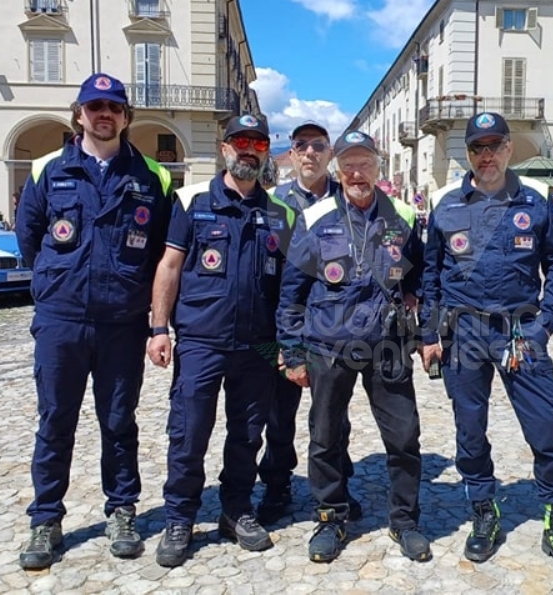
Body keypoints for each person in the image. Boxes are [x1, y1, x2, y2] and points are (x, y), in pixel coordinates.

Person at [420, 112, 553, 580]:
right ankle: (484, 511)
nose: (486, 155)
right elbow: (430, 275)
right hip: (463, 335)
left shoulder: (534, 204)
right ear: (468, 155)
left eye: (494, 145)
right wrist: (429, 334)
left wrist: (546, 324)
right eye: (478, 148)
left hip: (520, 332)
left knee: (545, 427)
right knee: (469, 430)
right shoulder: (447, 207)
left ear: (510, 149)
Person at [14, 72, 173, 570]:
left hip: (122, 322)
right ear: (78, 113)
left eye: (114, 107)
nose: (104, 114)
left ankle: (121, 511)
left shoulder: (152, 176)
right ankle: (45, 519)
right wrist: (56, 284)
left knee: (119, 421)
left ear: (126, 117)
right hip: (62, 320)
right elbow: (29, 238)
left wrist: (156, 322)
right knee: (55, 420)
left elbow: (164, 252)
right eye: (95, 106)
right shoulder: (46, 169)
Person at [146, 114, 296, 568]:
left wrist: (288, 343)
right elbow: (170, 267)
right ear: (224, 147)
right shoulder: (191, 201)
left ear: (266, 150)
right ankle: (180, 517)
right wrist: (158, 328)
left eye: (257, 142)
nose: (248, 149)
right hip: (201, 341)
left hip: (261, 344)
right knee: (189, 432)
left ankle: (236, 510)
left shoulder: (280, 214)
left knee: (248, 434)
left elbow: (290, 287)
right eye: (240, 141)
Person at [277, 130, 429, 564]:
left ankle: (405, 521)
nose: (357, 172)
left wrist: (418, 303)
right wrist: (291, 351)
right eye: (350, 164)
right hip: (329, 345)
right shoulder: (316, 217)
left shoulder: (400, 215)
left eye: (365, 163)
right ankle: (330, 518)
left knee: (404, 437)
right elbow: (292, 292)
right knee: (325, 438)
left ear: (378, 168)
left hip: (388, 346)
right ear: (338, 169)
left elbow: (420, 271)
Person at [256, 122, 361, 525]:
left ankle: (338, 486)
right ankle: (277, 484)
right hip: (279, 326)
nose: (310, 153)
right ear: (292, 152)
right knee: (279, 411)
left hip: (332, 329)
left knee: (333, 414)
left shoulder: (346, 200)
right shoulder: (273, 202)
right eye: (302, 145)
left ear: (329, 153)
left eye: (319, 145)